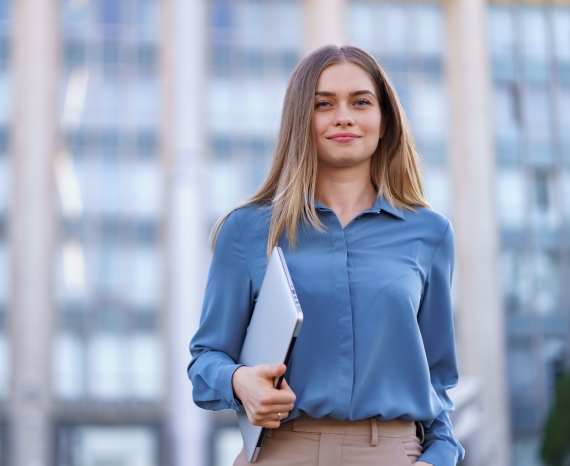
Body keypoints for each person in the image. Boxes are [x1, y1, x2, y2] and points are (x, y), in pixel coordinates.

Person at [188, 45, 465, 466]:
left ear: (384, 119)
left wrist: (439, 457)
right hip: (283, 450)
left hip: (393, 453)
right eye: (323, 104)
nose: (344, 116)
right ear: (301, 120)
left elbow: (438, 382)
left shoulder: (430, 234)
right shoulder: (246, 231)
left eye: (361, 102)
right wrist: (240, 381)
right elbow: (205, 361)